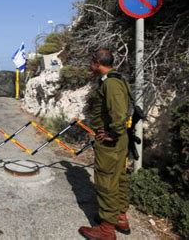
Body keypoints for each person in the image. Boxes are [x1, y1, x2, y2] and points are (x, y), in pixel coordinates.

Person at [79, 48, 131, 240]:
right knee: (118, 178)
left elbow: (118, 111)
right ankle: (119, 217)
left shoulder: (111, 83)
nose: (89, 66)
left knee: (106, 181)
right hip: (117, 140)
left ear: (96, 62)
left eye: (91, 62)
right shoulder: (116, 79)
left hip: (111, 142)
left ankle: (106, 230)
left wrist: (113, 132)